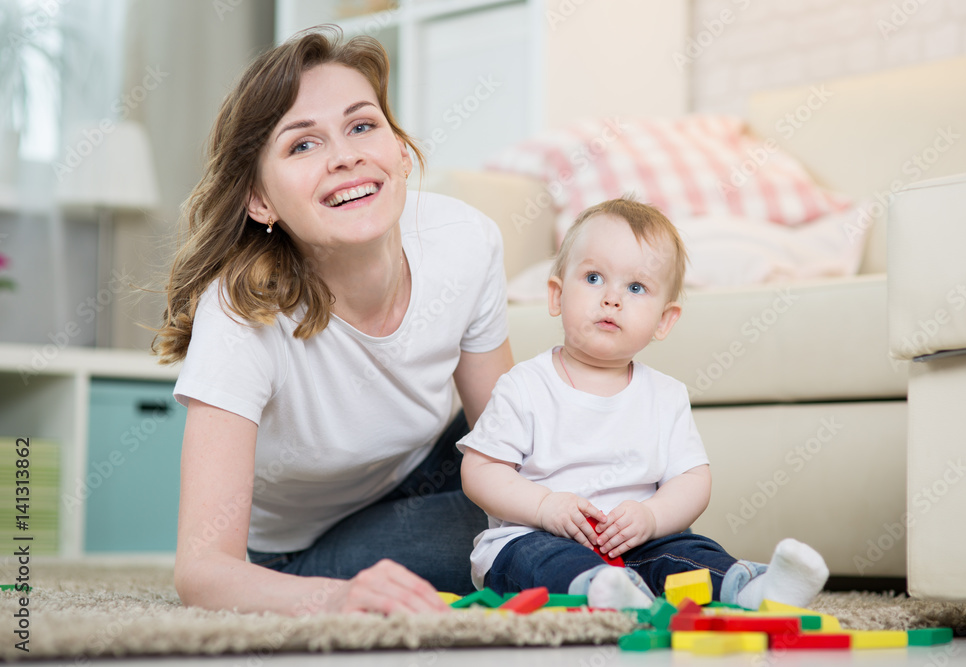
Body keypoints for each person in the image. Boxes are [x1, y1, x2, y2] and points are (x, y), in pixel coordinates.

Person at [153, 26, 513, 616]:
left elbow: (509, 441)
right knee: (510, 539)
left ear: (399, 148)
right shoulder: (241, 313)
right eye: (302, 145)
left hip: (421, 465)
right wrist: (341, 596)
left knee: (564, 468)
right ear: (261, 202)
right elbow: (202, 572)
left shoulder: (466, 241)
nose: (346, 155)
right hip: (302, 548)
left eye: (362, 125)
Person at [458, 197, 829, 610]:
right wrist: (543, 507)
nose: (612, 298)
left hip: (639, 542)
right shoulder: (524, 385)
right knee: (534, 560)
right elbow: (480, 469)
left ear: (665, 320)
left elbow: (692, 481)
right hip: (536, 535)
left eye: (635, 288)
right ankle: (599, 589)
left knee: (686, 552)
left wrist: (651, 517)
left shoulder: (666, 396)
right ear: (556, 295)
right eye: (594, 278)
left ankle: (751, 588)